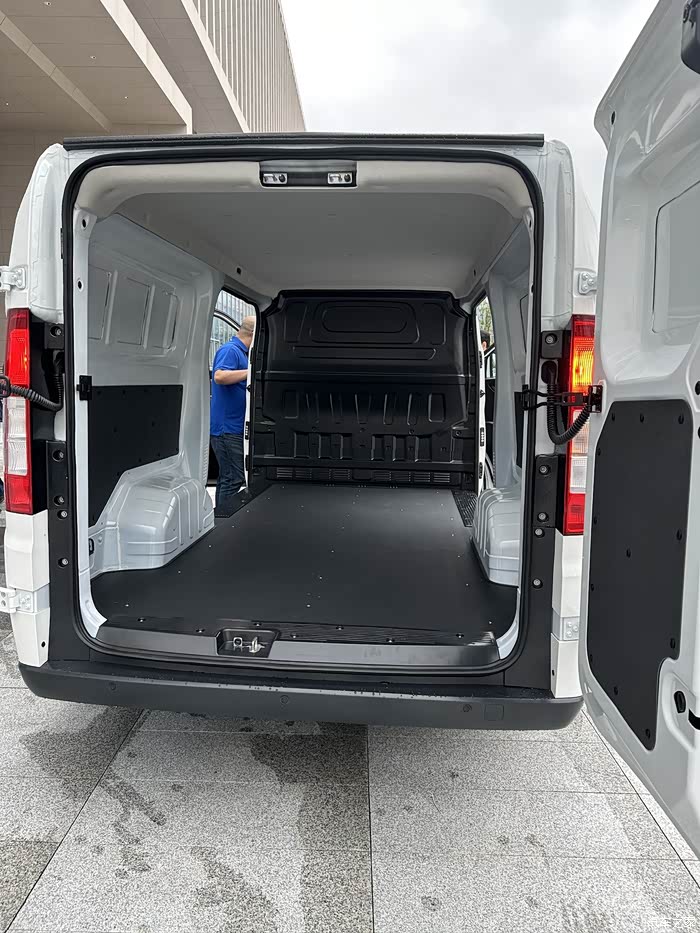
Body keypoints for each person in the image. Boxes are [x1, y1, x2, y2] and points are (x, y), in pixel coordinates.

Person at [210, 315, 255, 506]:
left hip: (233, 428)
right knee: (234, 478)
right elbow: (219, 376)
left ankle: (221, 516)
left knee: (229, 477)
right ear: (253, 334)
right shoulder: (230, 350)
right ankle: (223, 517)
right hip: (226, 430)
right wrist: (251, 372)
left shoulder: (242, 353)